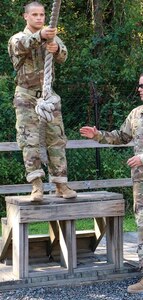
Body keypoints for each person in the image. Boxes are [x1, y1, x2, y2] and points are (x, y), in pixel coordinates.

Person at [80, 72, 143, 293]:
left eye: (142, 85)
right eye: (139, 85)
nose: (139, 89)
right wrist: (98, 135)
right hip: (141, 182)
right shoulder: (136, 114)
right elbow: (121, 136)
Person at [8, 1, 76, 201]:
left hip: (47, 96)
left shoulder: (52, 36)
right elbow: (22, 45)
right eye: (35, 15)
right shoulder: (18, 38)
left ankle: (61, 185)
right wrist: (41, 36)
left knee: (57, 139)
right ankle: (36, 186)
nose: (39, 18)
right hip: (26, 97)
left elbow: (63, 56)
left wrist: (56, 49)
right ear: (26, 17)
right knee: (30, 142)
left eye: (42, 15)